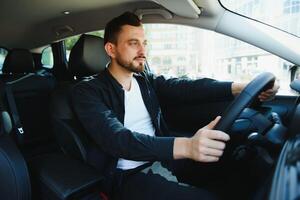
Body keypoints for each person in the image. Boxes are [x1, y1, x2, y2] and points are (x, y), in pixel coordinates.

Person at [71, 12, 279, 200]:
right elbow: (117, 139)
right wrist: (187, 146)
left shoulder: (143, 80)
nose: (143, 50)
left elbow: (186, 87)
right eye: (134, 43)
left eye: (145, 43)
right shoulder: (87, 91)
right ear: (111, 49)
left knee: (238, 168)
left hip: (163, 157)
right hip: (128, 175)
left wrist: (241, 88)